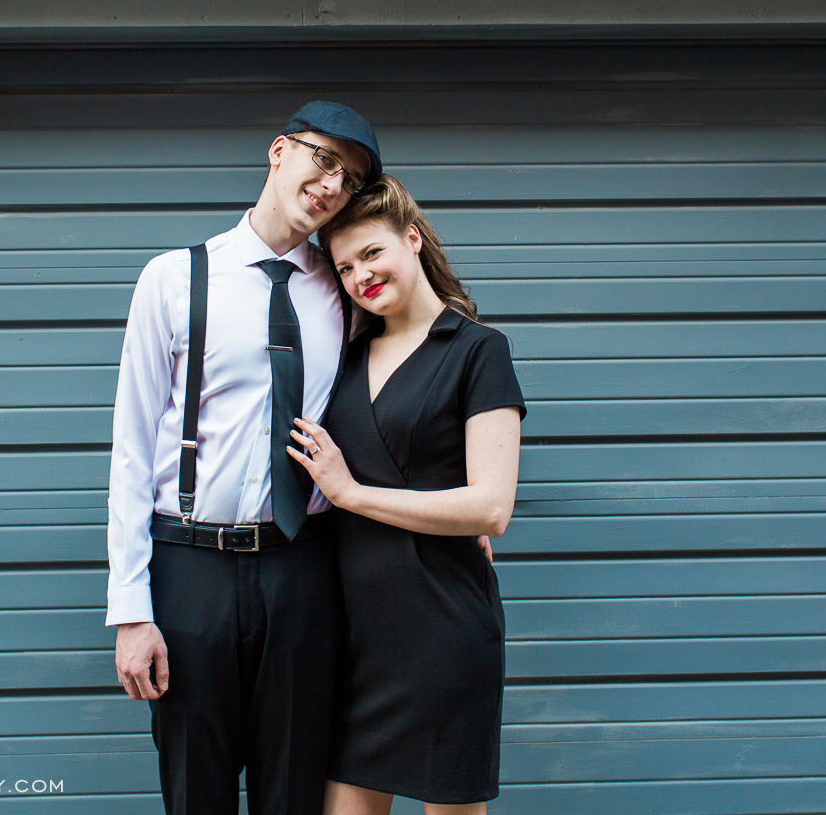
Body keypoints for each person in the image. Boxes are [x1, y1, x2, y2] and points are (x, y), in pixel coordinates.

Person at [105, 101, 382, 815]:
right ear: (279, 151)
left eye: (348, 180)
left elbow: (406, 400)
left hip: (304, 569)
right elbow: (132, 451)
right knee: (196, 789)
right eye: (324, 159)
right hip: (189, 568)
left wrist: (459, 497)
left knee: (294, 790)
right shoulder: (173, 278)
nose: (331, 185)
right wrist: (131, 612)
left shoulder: (349, 294)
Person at [288, 175, 525, 815]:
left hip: (442, 629)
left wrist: (352, 493)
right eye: (343, 266)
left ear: (412, 239)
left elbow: (490, 509)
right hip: (353, 636)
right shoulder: (344, 355)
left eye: (372, 253)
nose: (360, 275)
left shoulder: (478, 351)